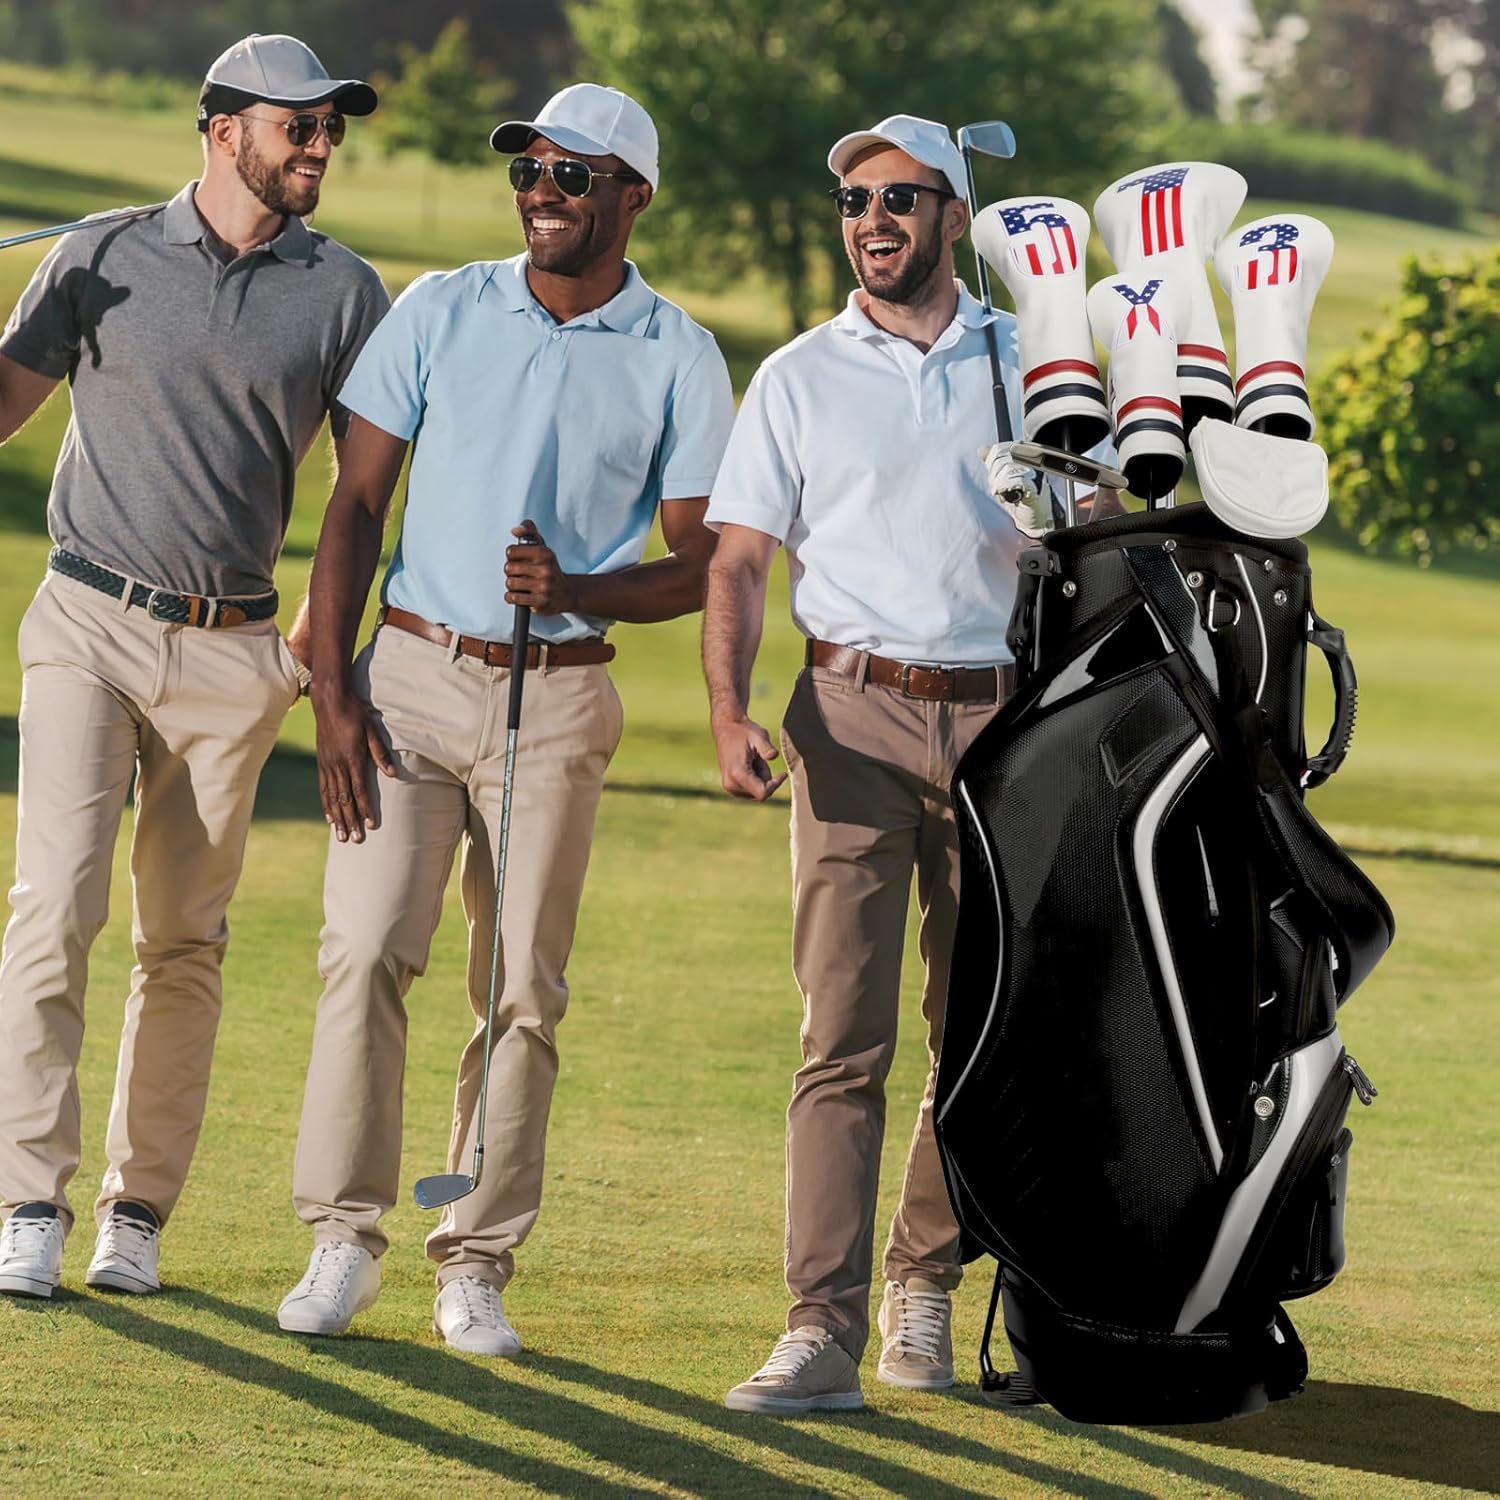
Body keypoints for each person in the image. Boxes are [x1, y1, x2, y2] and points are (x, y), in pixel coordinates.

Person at [275, 83, 736, 1355]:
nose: (542, 190)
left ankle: (474, 1258)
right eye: (529, 168)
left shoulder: (679, 353)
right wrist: (334, 691)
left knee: (521, 988)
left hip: (563, 691)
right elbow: (356, 504)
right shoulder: (442, 308)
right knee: (367, 951)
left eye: (573, 175)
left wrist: (577, 586)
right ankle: (342, 1236)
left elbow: (705, 562)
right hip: (411, 679)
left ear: (632, 197)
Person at [702, 115, 1117, 1413]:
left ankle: (922, 1285)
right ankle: (820, 1327)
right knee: (841, 1035)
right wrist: (727, 708)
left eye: (898, 198)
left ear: (954, 214)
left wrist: (1069, 506)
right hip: (849, 715)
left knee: (973, 1031)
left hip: (1008, 729)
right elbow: (739, 560)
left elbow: (1109, 527)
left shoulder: (1038, 360)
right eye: (854, 202)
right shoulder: (799, 375)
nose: (871, 221)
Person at [0, 34, 388, 1301]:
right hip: (89, 621)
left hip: (234, 654)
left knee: (183, 942)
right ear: (225, 129)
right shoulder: (97, 255)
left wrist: (324, 643)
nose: (320, 147)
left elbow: (366, 490)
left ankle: (136, 1211)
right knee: (55, 905)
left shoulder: (345, 292)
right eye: (299, 127)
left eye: (331, 130)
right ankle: (26, 1199)